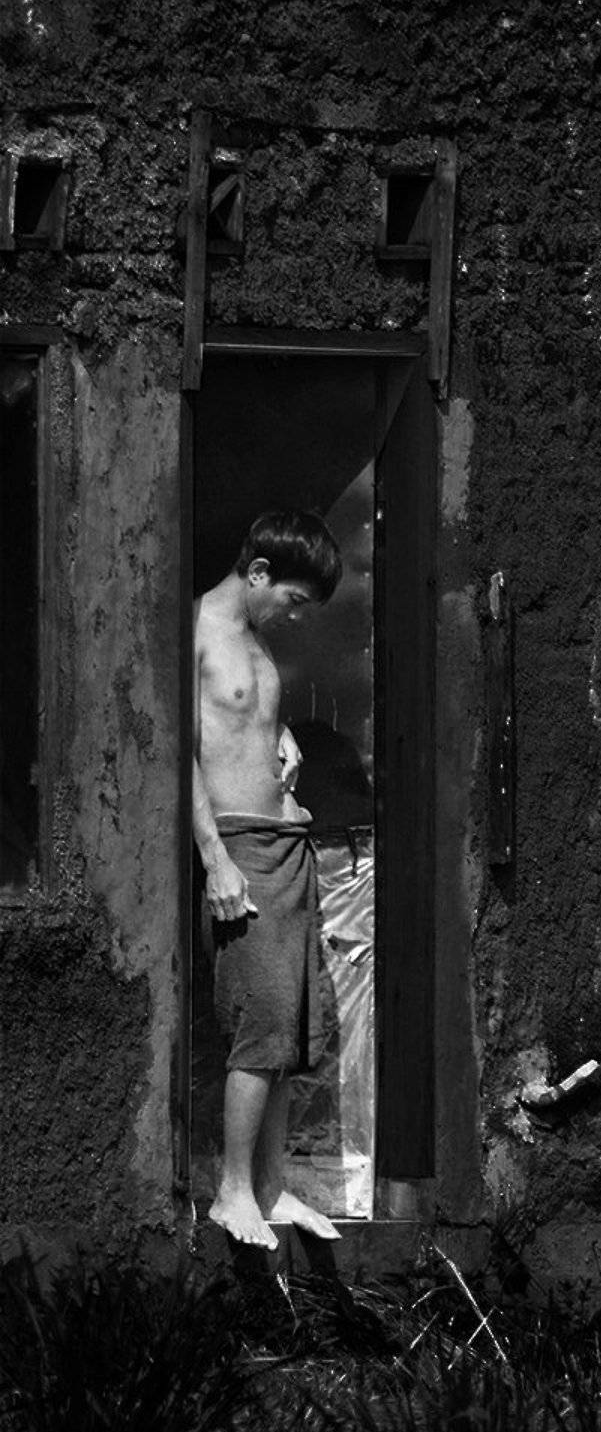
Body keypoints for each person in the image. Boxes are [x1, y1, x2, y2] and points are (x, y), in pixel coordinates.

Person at [193, 510, 343, 1251]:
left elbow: (242, 723)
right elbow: (180, 756)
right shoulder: (193, 633)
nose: (295, 617)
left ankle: (272, 1188)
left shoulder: (253, 640)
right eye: (292, 600)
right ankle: (231, 1192)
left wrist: (281, 737)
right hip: (241, 852)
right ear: (257, 574)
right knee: (259, 1027)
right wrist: (214, 859)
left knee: (289, 1032)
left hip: (287, 849)